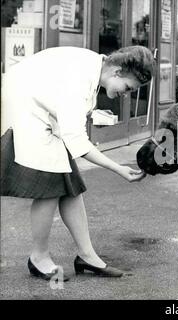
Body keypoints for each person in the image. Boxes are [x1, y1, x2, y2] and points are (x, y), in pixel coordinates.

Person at [1, 45, 154, 281]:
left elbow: (66, 104)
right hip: (23, 110)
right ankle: (38, 257)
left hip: (37, 109)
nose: (126, 94)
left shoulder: (96, 65)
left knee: (70, 185)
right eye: (127, 88)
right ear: (117, 72)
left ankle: (87, 255)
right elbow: (78, 143)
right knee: (49, 187)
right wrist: (118, 168)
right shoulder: (80, 81)